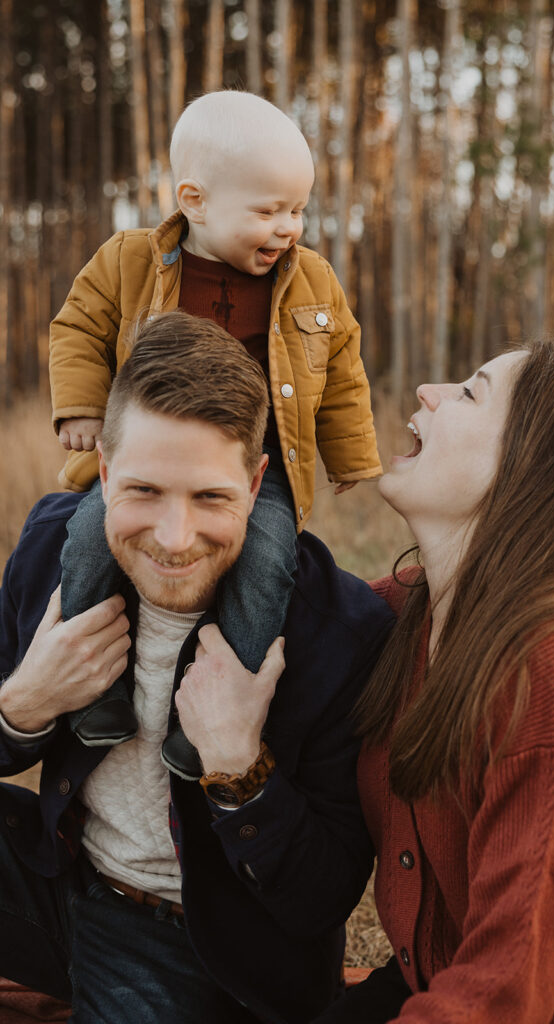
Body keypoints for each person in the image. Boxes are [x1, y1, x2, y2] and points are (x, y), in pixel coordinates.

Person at [0, 312, 394, 1024]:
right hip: (68, 879)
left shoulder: (341, 633)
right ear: (107, 472)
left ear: (255, 486)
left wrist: (238, 761)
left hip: (206, 941)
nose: (174, 539)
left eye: (210, 497)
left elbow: (320, 896)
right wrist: (22, 705)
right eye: (143, 491)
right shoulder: (51, 552)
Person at [314, 340, 554, 1023]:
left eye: (469, 392)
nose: (428, 389)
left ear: (526, 471)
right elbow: (292, 611)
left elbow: (505, 986)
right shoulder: (410, 612)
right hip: (437, 983)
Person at [48, 90, 382, 777]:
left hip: (256, 471)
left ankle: (213, 706)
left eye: (296, 210)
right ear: (194, 200)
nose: (287, 227)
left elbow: (343, 368)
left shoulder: (312, 281)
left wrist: (351, 454)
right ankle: (96, 693)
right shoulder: (128, 261)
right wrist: (81, 410)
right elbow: (77, 328)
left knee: (265, 564)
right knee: (84, 540)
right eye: (266, 211)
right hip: (150, 459)